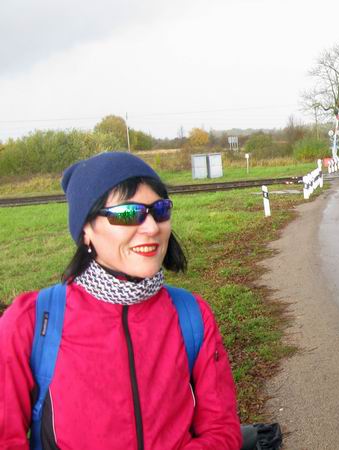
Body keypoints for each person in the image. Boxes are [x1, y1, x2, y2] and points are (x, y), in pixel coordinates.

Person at [0, 152, 242, 449]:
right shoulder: (32, 321)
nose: (152, 227)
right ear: (86, 230)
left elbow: (222, 431)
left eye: (160, 210)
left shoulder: (191, 316)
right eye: (128, 213)